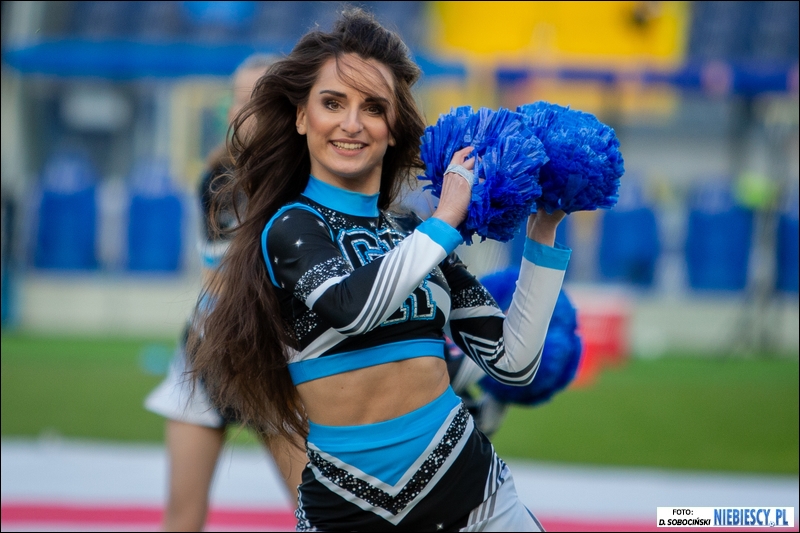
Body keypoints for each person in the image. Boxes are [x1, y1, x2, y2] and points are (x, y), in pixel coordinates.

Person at [191, 8, 569, 531]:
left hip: (474, 492)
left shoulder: (416, 234)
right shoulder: (291, 226)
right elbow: (350, 309)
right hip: (347, 507)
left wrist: (544, 234)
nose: (352, 123)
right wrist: (445, 221)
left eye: (373, 107)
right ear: (301, 117)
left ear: (393, 129)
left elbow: (512, 364)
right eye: (332, 103)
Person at [144, 54, 307, 532]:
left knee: (318, 516)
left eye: (253, 99)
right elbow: (222, 283)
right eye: (235, 98)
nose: (239, 110)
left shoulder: (310, 183)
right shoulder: (216, 179)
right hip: (207, 357)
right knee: (182, 519)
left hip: (277, 366)